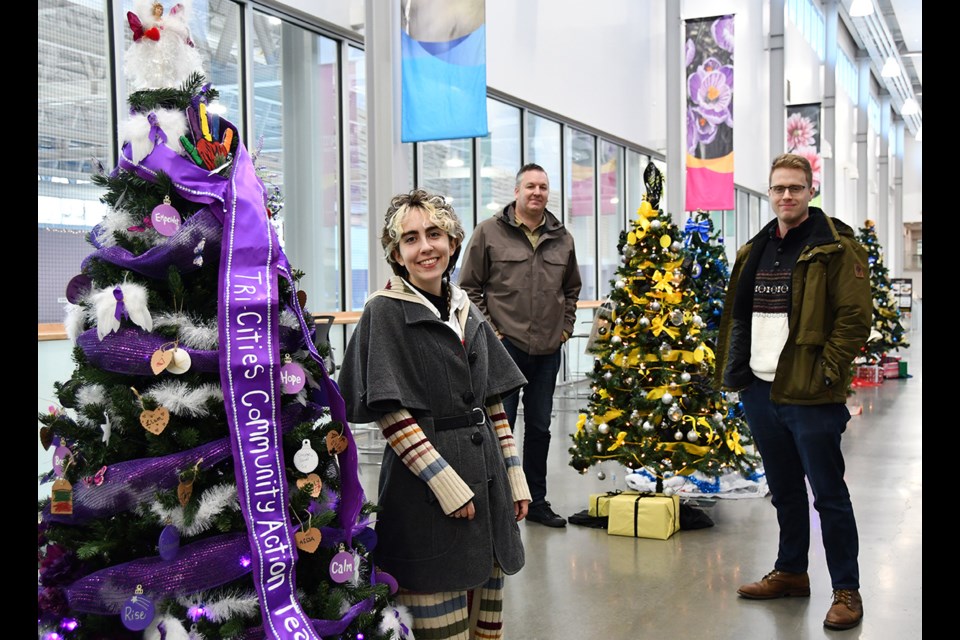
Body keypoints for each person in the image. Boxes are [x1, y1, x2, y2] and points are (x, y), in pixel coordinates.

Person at [338, 189, 531, 640]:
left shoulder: (466, 308)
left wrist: (515, 479)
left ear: (452, 241)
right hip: (425, 495)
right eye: (410, 238)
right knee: (438, 623)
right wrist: (446, 486)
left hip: (487, 488)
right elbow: (392, 414)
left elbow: (492, 403)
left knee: (486, 621)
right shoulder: (383, 312)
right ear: (396, 252)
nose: (425, 247)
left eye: (434, 234)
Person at [714, 153, 872, 630]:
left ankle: (847, 588)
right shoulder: (756, 248)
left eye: (796, 188)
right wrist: (737, 374)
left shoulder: (836, 246)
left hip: (811, 392)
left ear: (810, 190)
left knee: (828, 494)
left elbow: (854, 318)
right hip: (761, 389)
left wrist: (828, 373)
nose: (787, 196)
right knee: (783, 490)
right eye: (779, 188)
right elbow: (738, 317)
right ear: (770, 191)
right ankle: (791, 571)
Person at [459, 163, 581, 528]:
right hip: (504, 349)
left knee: (541, 428)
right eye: (530, 186)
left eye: (543, 187)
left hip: (547, 351)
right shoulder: (489, 233)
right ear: (516, 191)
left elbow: (571, 290)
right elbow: (468, 288)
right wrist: (492, 333)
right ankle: (500, 503)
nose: (537, 193)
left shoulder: (563, 238)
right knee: (502, 427)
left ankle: (537, 501)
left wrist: (565, 329)